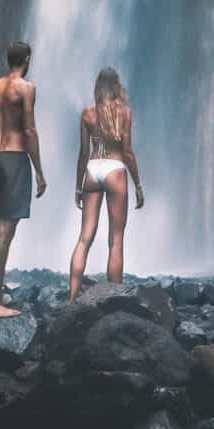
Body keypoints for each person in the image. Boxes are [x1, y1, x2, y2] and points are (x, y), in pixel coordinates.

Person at [0, 40, 46, 317]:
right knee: (6, 232)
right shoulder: (26, 88)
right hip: (16, 159)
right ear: (27, 59)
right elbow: (29, 131)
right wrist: (39, 170)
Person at [69, 67, 144, 300]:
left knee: (84, 238)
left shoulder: (87, 113)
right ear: (116, 87)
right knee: (116, 240)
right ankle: (112, 298)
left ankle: (72, 297)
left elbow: (83, 153)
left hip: (93, 168)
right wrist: (138, 185)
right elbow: (128, 152)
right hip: (114, 168)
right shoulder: (125, 113)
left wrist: (78, 186)